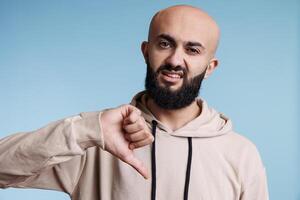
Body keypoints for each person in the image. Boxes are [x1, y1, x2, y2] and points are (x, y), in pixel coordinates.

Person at [0, 4, 269, 200]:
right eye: (165, 44)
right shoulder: (96, 138)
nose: (175, 60)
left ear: (210, 67)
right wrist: (85, 130)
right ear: (145, 51)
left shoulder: (240, 153)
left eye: (192, 49)